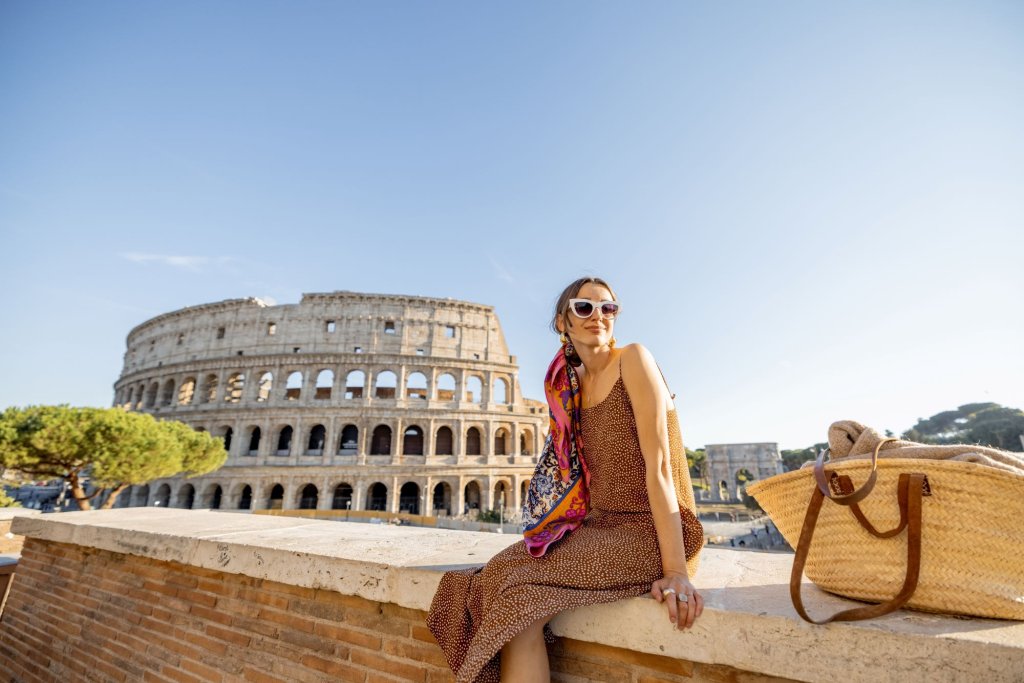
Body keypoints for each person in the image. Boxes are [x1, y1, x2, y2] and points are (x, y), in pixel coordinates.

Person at [427, 276, 705, 683]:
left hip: (652, 535)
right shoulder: (568, 387)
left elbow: (660, 468)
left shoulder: (634, 359)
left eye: (608, 308)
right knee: (498, 576)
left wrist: (676, 571)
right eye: (584, 307)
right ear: (563, 322)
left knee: (515, 592)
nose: (598, 316)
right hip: (599, 528)